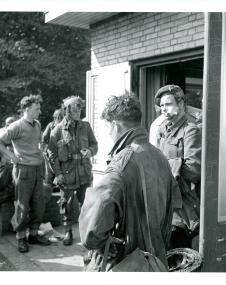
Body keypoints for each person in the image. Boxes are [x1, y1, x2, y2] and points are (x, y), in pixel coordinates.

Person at [79, 94, 181, 271]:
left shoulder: (121, 163)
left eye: (108, 127)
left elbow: (92, 229)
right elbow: (175, 202)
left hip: (128, 262)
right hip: (158, 260)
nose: (109, 133)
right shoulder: (160, 156)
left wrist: (102, 244)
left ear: (115, 125)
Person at [0, 94, 50, 253]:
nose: (39, 111)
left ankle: (33, 234)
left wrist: (40, 152)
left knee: (39, 205)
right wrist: (12, 156)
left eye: (39, 108)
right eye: (36, 108)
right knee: (22, 205)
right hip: (23, 170)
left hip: (38, 169)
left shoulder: (37, 124)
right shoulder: (16, 126)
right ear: (26, 109)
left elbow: (37, 142)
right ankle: (21, 238)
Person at [150, 84, 201, 250]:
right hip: (165, 199)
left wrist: (165, 168)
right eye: (162, 105)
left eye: (169, 104)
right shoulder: (163, 130)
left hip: (183, 203)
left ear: (181, 105)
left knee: (179, 250)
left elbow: (193, 169)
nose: (164, 109)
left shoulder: (190, 130)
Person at [48, 95, 98, 246]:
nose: (79, 110)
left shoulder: (86, 127)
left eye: (80, 107)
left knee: (87, 203)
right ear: (67, 110)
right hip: (67, 174)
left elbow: (94, 145)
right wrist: (58, 174)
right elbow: (52, 155)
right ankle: (68, 231)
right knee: (66, 204)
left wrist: (90, 151)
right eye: (75, 108)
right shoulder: (56, 131)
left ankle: (87, 232)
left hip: (84, 172)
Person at [42, 108, 64, 186]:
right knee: (49, 176)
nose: (57, 118)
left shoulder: (66, 126)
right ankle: (46, 194)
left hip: (62, 155)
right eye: (56, 117)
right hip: (51, 155)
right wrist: (45, 151)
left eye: (60, 116)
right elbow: (44, 139)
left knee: (61, 176)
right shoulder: (51, 125)